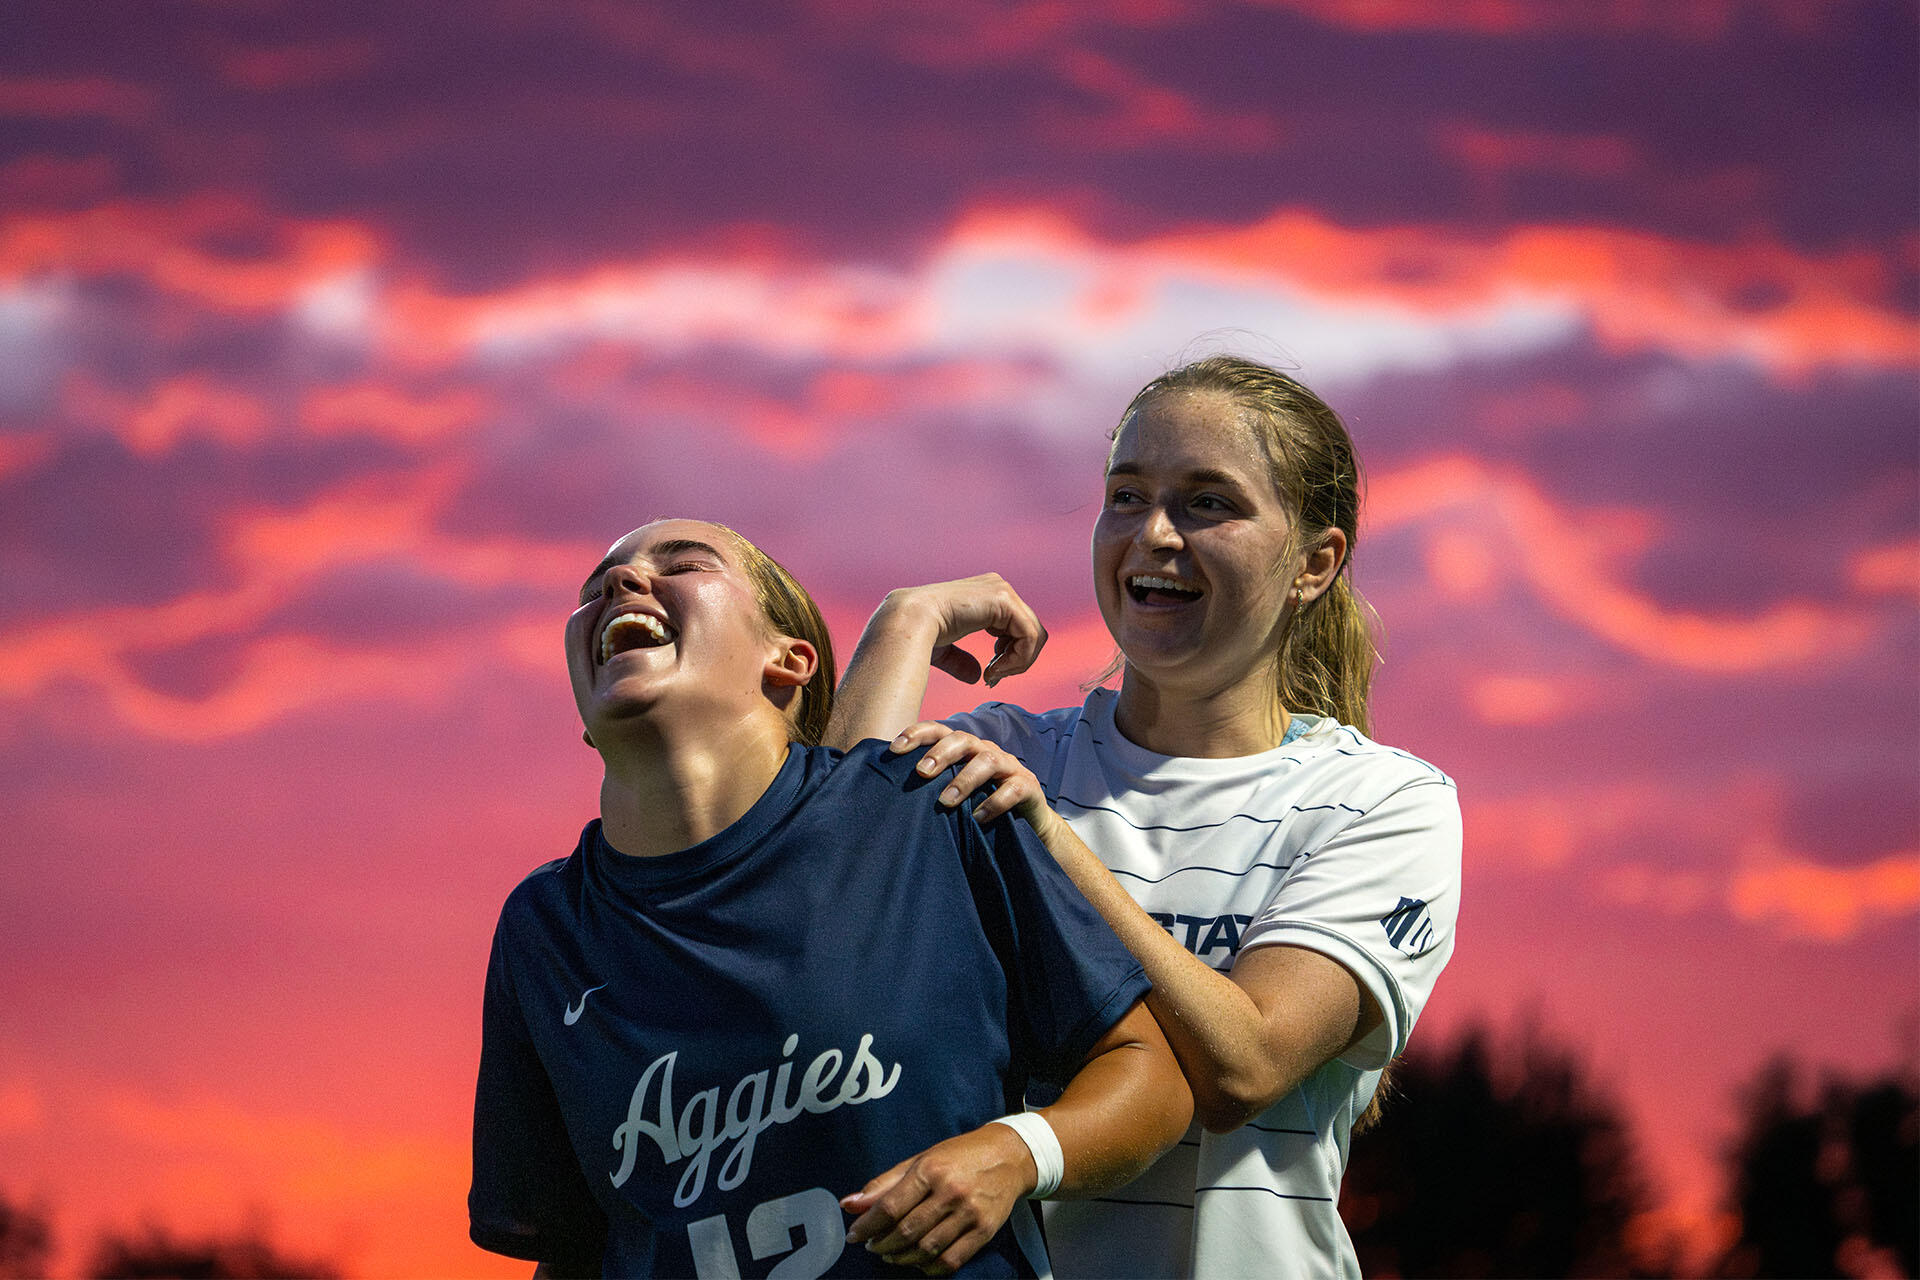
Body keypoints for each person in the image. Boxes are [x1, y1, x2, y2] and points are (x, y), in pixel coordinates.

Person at [825, 355, 1462, 1279]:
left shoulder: (1383, 803)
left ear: (1314, 564)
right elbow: (823, 890)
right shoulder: (1015, 752)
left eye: (1208, 503)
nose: (1154, 533)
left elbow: (1243, 1065)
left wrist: (1049, 842)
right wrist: (906, 621)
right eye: (1127, 496)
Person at [468, 518, 1192, 1279]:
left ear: (788, 663)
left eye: (683, 563)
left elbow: (1150, 1074)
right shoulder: (542, 929)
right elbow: (572, 1252)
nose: (619, 584)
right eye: (593, 589)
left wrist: (1016, 1152)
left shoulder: (933, 812)